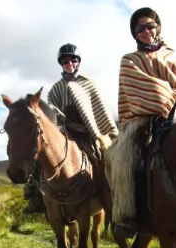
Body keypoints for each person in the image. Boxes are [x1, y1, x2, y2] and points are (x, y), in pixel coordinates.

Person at [104, 7, 176, 237]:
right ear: (134, 33)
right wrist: (166, 95)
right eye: (140, 28)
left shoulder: (171, 55)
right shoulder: (129, 60)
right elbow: (142, 89)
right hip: (141, 119)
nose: (145, 31)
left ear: (157, 28)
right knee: (120, 156)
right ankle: (125, 216)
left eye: (150, 26)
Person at [23, 43, 119, 214]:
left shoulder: (89, 83)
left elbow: (99, 110)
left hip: (88, 133)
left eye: (73, 60)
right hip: (66, 132)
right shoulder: (55, 89)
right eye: (65, 60)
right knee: (41, 159)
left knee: (101, 160)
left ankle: (108, 197)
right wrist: (61, 117)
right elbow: (51, 112)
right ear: (61, 63)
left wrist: (92, 127)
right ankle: (35, 196)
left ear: (78, 62)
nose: (69, 63)